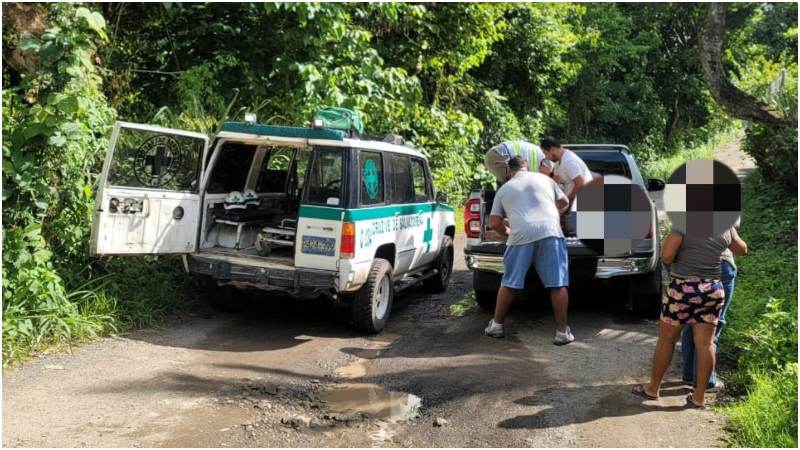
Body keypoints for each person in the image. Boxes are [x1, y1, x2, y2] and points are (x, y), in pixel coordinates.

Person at [632, 226, 747, 408]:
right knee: (706, 344)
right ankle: (699, 397)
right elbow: (742, 249)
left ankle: (653, 389)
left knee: (667, 340)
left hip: (682, 289)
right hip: (712, 289)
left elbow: (667, 256)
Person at [483, 156, 573, 345]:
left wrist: (507, 232)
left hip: (521, 235)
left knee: (509, 282)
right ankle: (562, 332)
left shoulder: (504, 189)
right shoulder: (545, 179)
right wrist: (552, 212)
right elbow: (564, 201)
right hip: (550, 232)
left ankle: (497, 326)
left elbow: (494, 222)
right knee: (558, 284)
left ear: (509, 171)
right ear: (528, 167)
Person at [680, 221, 743, 389]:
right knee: (712, 325)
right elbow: (740, 247)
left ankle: (689, 374)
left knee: (691, 320)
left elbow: (668, 253)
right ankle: (705, 380)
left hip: (690, 265)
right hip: (720, 263)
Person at [540, 136, 593, 209]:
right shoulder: (559, 161)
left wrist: (568, 201)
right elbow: (555, 182)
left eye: (546, 154)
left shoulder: (569, 161)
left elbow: (580, 183)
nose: (546, 157)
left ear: (552, 149)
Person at [484, 140, 554, 183]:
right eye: (550, 175)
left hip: (498, 154)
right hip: (501, 155)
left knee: (511, 186)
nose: (548, 178)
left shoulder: (541, 159)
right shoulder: (546, 158)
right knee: (512, 186)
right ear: (547, 166)